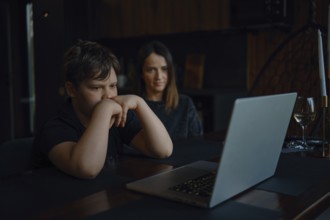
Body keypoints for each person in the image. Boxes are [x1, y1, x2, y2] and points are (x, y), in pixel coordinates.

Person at [32, 40, 173, 179]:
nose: (109, 96)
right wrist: (103, 110)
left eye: (113, 86)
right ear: (72, 89)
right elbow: (86, 168)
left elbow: (163, 150)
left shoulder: (118, 118)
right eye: (96, 88)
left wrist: (139, 103)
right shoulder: (54, 128)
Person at [136, 41, 203, 140]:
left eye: (164, 69)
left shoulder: (185, 104)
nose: (159, 77)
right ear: (141, 73)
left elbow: (199, 143)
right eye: (151, 70)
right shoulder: (134, 108)